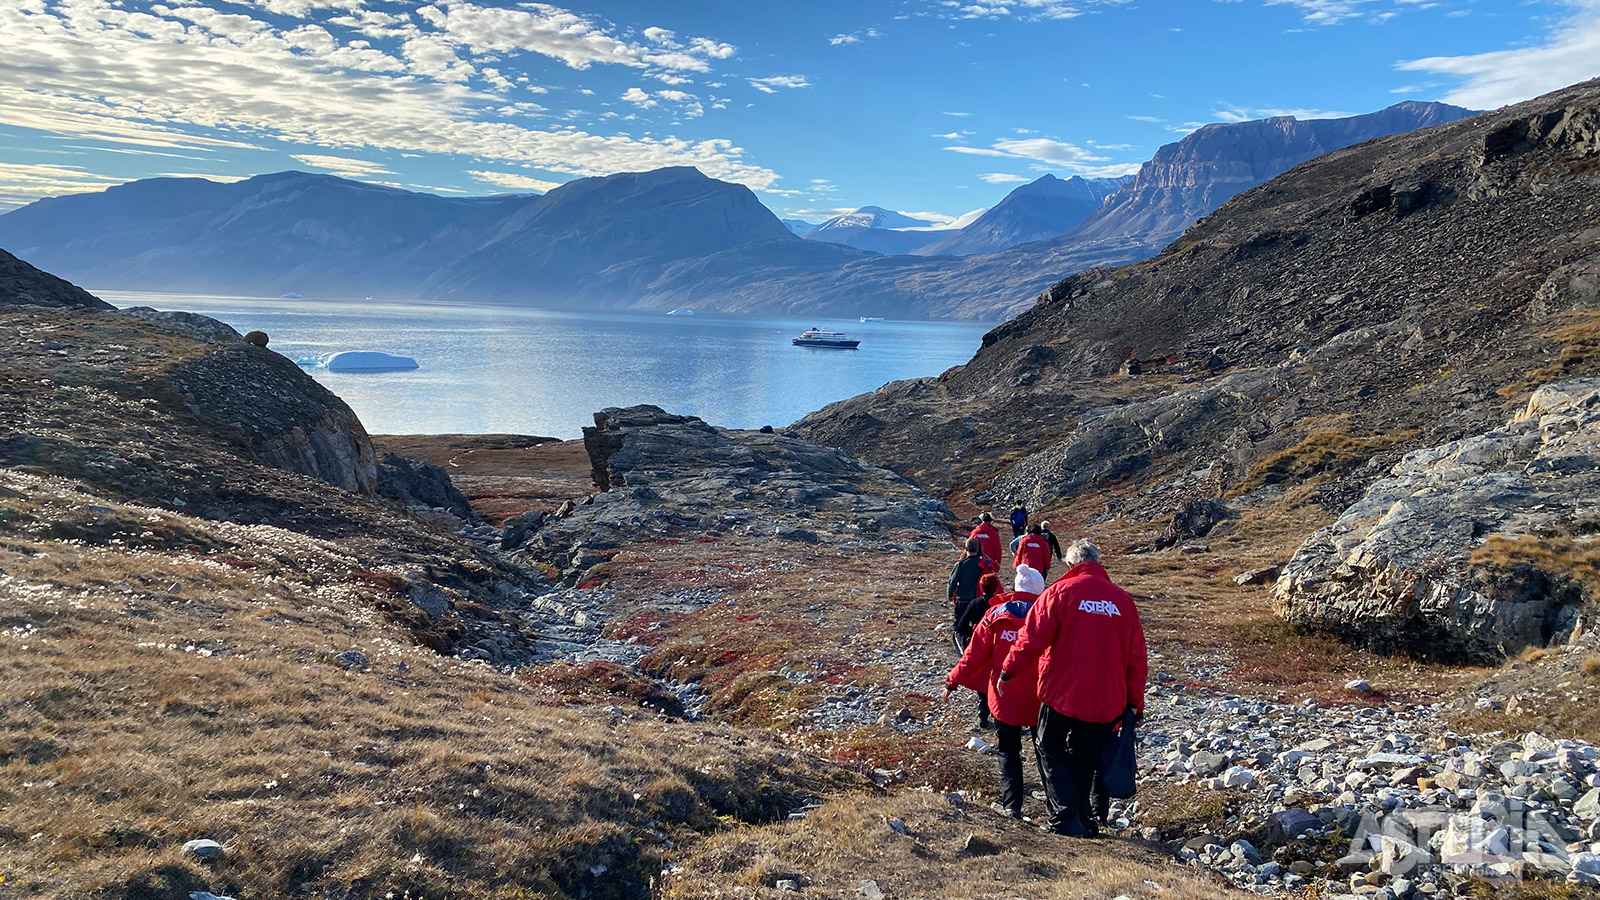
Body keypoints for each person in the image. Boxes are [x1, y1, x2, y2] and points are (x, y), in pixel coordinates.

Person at [996, 539, 1147, 837]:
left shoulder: (1059, 593)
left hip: (1061, 692)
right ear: (1098, 563)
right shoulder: (1122, 602)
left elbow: (1031, 639)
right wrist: (1134, 703)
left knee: (1048, 745)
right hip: (1107, 697)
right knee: (1085, 755)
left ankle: (1065, 817)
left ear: (1069, 565)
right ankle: (1084, 818)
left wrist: (1008, 670)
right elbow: (1137, 658)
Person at [944, 587, 1042, 818]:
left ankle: (1012, 806)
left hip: (1004, 695)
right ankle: (1057, 806)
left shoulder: (996, 615)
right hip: (1041, 696)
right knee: (1046, 749)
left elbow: (973, 655)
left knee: (1008, 751)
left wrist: (952, 681)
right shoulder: (1049, 613)